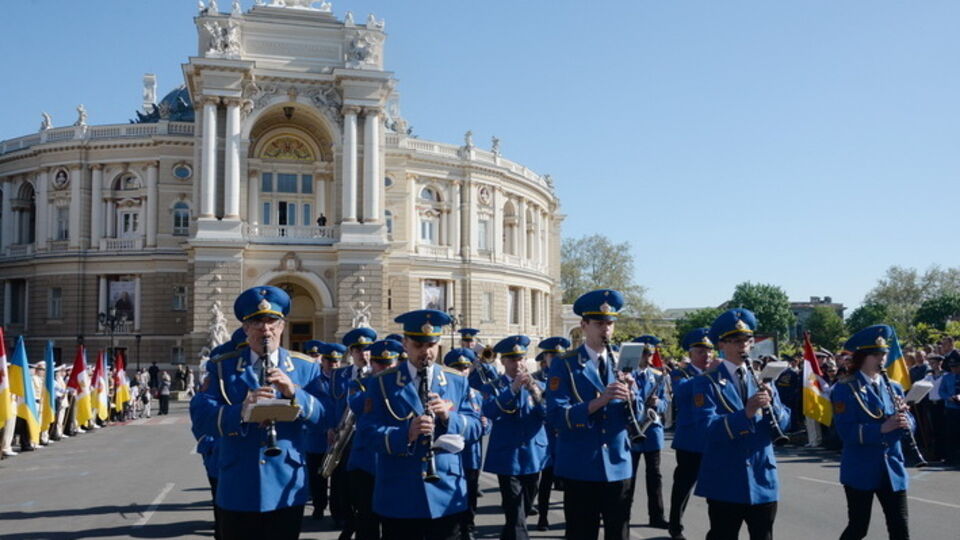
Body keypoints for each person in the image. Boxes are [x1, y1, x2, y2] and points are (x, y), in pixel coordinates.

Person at [191, 285, 327, 540]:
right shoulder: (223, 367)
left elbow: (326, 418)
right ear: (245, 328)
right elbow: (201, 419)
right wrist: (241, 410)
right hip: (238, 482)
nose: (265, 329)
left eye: (272, 321)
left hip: (286, 483)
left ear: (282, 325)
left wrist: (294, 393)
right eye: (256, 322)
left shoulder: (304, 368)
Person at [358, 309, 482, 539]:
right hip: (399, 493)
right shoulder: (383, 382)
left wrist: (448, 417)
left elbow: (476, 427)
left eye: (432, 344)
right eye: (418, 345)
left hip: (445, 491)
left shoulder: (456, 380)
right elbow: (367, 433)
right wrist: (406, 434)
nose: (426, 352)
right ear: (405, 344)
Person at [546, 289, 641, 540]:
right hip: (581, 465)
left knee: (618, 532)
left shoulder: (622, 362)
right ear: (584, 325)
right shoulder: (564, 364)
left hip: (618, 464)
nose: (606, 329)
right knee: (581, 532)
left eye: (610, 323)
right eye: (599, 323)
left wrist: (632, 396)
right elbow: (557, 416)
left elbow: (639, 417)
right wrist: (599, 401)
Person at [691, 308, 790, 540]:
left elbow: (784, 422)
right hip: (725, 479)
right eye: (734, 341)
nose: (742, 346)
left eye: (746, 340)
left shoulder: (762, 378)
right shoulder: (706, 383)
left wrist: (773, 404)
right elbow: (706, 430)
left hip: (762, 476)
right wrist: (746, 412)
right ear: (722, 345)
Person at [832, 324, 914, 539]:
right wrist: (880, 429)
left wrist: (907, 421)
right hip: (861, 468)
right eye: (875, 354)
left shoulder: (893, 387)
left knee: (900, 527)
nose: (881, 359)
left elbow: (908, 421)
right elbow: (845, 431)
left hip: (891, 467)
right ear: (862, 357)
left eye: (884, 354)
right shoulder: (844, 388)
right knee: (858, 527)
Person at [482, 335, 549, 540]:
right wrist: (513, 389)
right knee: (515, 511)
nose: (518, 364)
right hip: (507, 457)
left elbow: (548, 414)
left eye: (521, 359)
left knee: (523, 509)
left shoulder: (538, 385)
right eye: (512, 360)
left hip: (533, 454)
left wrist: (534, 392)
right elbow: (491, 411)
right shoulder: (493, 386)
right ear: (503, 361)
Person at [347, 339, 404, 540]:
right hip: (365, 462)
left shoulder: (403, 386)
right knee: (366, 519)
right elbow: (356, 405)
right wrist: (379, 381)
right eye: (380, 363)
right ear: (373, 364)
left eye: (390, 364)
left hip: (393, 458)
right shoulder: (359, 384)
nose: (385, 367)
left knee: (394, 521)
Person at [667, 327, 718, 540]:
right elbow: (681, 392)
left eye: (708, 351)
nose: (705, 355)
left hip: (713, 440)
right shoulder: (681, 373)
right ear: (690, 354)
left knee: (715, 489)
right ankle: (675, 526)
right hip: (690, 441)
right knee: (683, 486)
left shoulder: (718, 375)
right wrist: (708, 375)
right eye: (700, 351)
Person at [329, 326, 376, 533]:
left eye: (367, 350)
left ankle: (364, 521)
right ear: (351, 352)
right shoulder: (339, 375)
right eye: (358, 350)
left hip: (366, 436)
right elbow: (331, 404)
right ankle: (346, 521)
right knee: (342, 482)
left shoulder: (379, 375)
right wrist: (329, 427)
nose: (363, 354)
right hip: (343, 436)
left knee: (365, 483)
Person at [625, 335, 669, 530]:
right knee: (629, 476)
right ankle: (622, 514)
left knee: (655, 476)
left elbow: (667, 403)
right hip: (633, 430)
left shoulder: (658, 376)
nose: (649, 357)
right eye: (645, 353)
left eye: (651, 353)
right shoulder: (627, 375)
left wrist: (658, 403)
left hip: (652, 431)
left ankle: (657, 516)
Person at [443, 347, 487, 540]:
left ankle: (468, 527)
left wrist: (486, 425)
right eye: (457, 367)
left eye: (465, 367)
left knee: (470, 494)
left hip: (471, 454)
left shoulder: (476, 394)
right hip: (452, 455)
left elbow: (485, 420)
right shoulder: (445, 393)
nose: (462, 371)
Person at [533, 336, 571, 531]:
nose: (555, 359)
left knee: (569, 484)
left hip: (565, 435)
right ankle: (543, 517)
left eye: (559, 355)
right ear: (545, 358)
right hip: (547, 436)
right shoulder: (536, 378)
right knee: (546, 480)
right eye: (552, 356)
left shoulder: (569, 376)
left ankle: (570, 522)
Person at [301, 340, 336, 521]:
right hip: (317, 437)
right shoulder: (313, 384)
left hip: (339, 437)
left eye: (336, 361)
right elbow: (308, 410)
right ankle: (319, 506)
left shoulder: (344, 381)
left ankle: (339, 512)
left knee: (338, 478)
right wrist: (323, 428)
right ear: (323, 361)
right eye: (329, 360)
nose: (333, 364)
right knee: (317, 476)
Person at [937, 351, 960, 466]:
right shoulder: (947, 377)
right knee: (951, 434)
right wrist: (949, 398)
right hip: (951, 408)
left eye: (956, 366)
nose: (954, 369)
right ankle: (951, 457)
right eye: (952, 367)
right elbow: (941, 391)